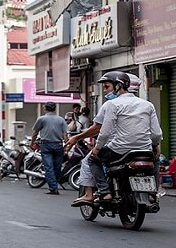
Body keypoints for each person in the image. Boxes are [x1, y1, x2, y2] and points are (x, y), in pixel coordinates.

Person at [72, 72, 162, 205]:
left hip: (118, 150)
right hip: (144, 149)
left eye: (107, 87)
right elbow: (156, 134)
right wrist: (155, 146)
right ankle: (152, 193)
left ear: (119, 86)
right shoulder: (148, 105)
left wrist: (97, 149)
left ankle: (105, 192)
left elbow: (105, 132)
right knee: (155, 160)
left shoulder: (112, 104)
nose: (105, 90)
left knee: (92, 160)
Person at [30, 102, 68, 195]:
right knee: (57, 167)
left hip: (46, 145)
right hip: (59, 145)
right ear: (55, 109)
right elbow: (65, 135)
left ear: (45, 108)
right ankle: (54, 184)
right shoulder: (61, 120)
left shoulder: (42, 119)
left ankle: (53, 188)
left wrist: (32, 143)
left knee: (49, 167)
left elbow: (35, 132)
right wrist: (67, 146)